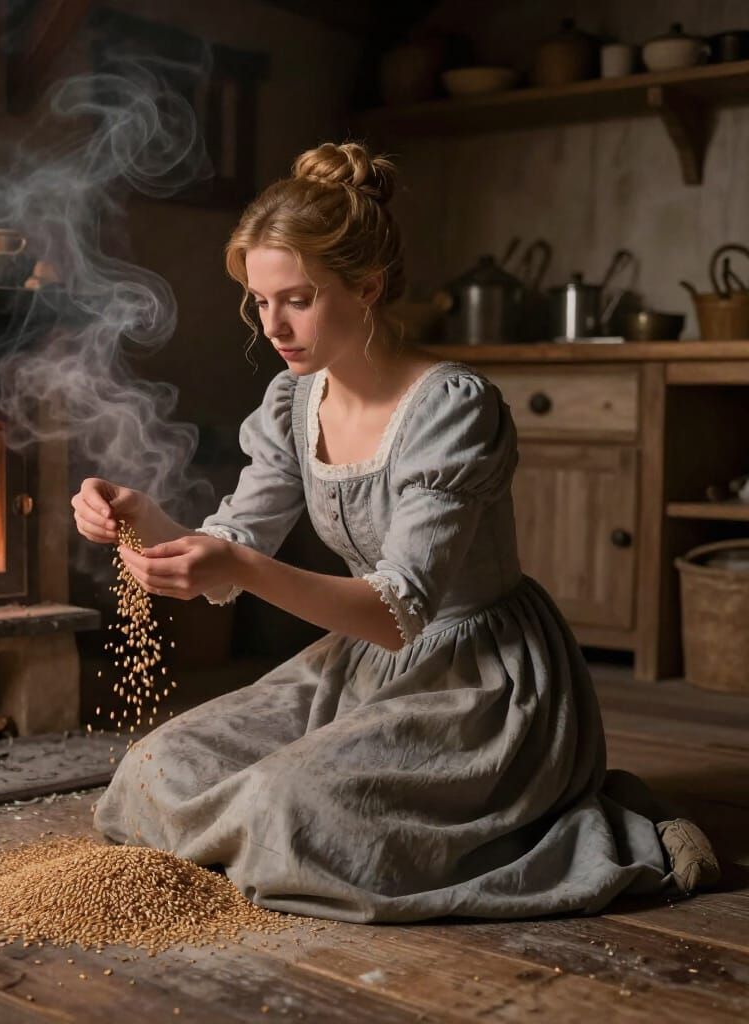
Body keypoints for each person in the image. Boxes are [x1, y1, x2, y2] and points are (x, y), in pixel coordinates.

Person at [71, 141, 719, 922]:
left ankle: (618, 821)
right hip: (358, 669)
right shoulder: (292, 401)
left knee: (286, 807)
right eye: (258, 301)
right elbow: (239, 538)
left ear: (368, 286)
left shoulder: (452, 407)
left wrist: (236, 562)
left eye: (297, 299)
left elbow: (397, 610)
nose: (272, 324)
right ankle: (272, 836)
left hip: (479, 679)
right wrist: (145, 525)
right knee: (153, 769)